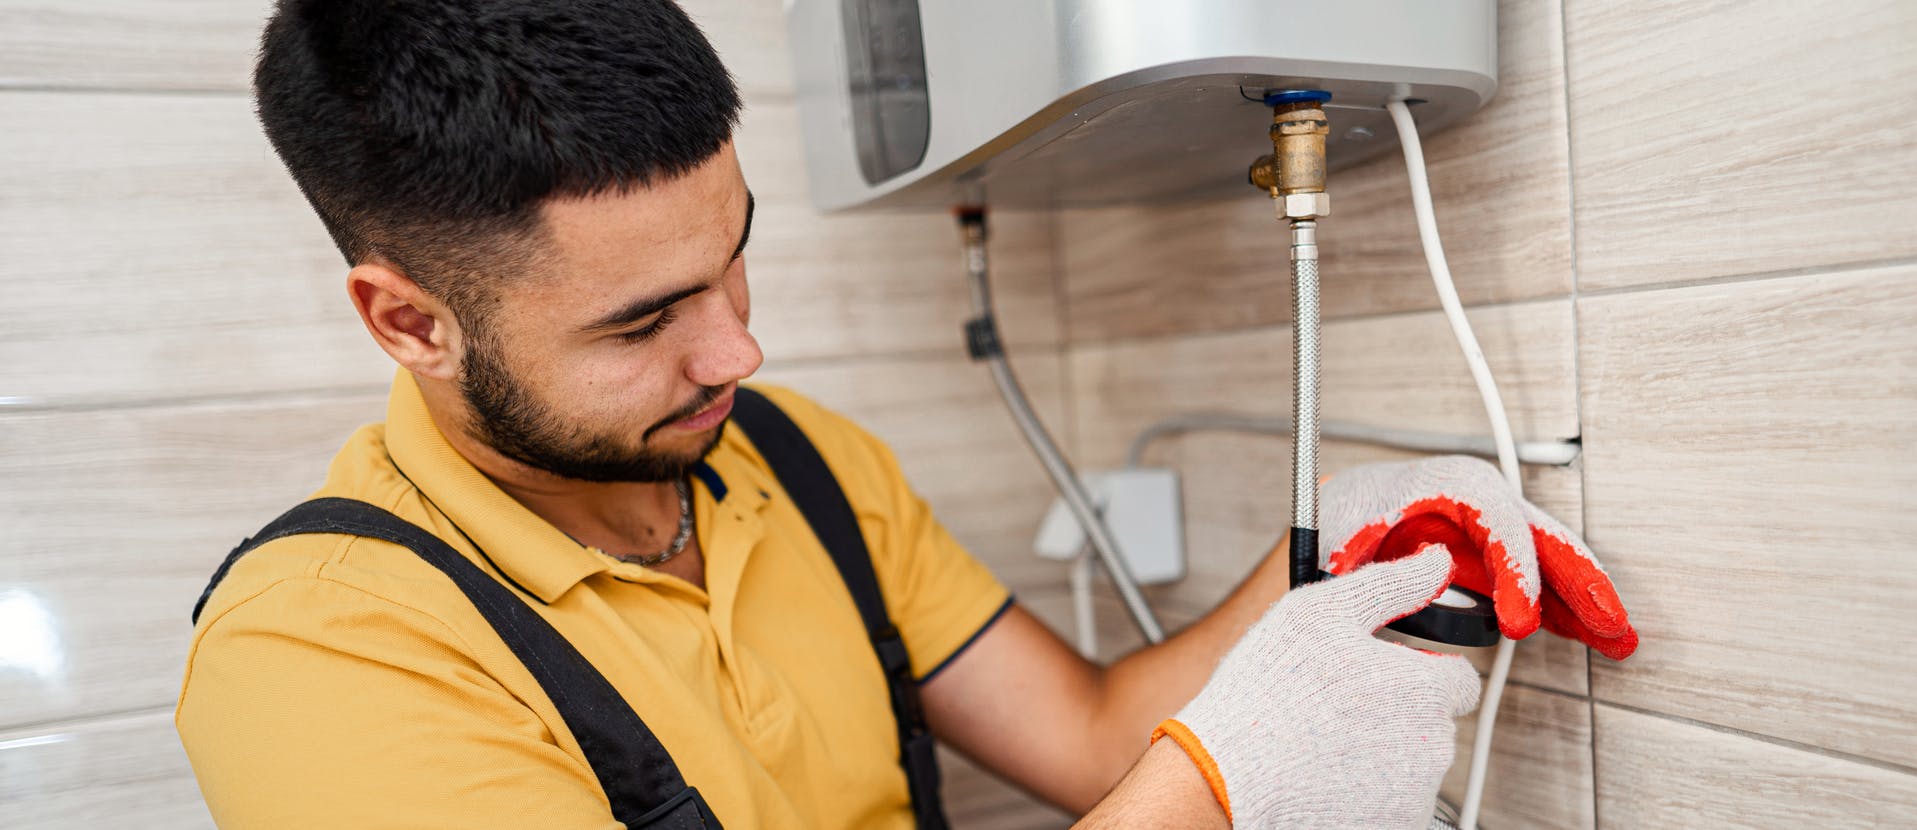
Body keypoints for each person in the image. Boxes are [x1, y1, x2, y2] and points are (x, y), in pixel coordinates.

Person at [178, 2, 1632, 827]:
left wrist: (1348, 547)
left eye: (732, 256)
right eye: (640, 322)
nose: (738, 349)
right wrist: (1212, 786)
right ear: (410, 321)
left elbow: (1094, 733)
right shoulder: (317, 654)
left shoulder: (800, 461)